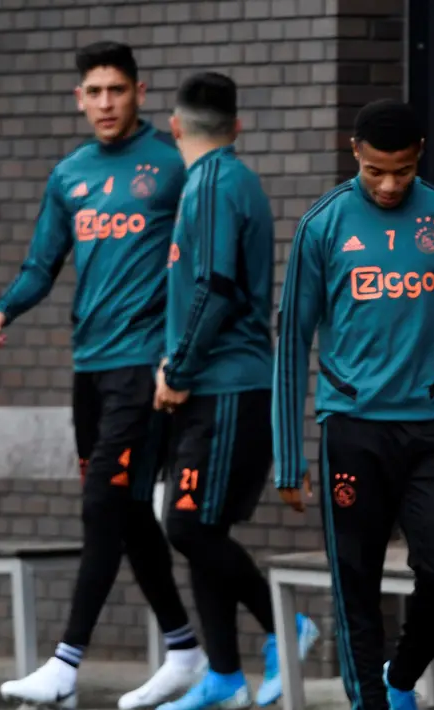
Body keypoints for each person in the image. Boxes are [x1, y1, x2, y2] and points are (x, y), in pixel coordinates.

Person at [0, 41, 208, 710]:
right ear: (79, 98)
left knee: (102, 505)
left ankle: (66, 660)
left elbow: (202, 261)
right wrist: (2, 309)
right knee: (130, 514)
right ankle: (186, 648)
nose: (105, 102)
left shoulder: (172, 165)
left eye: (117, 89)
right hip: (91, 370)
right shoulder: (69, 174)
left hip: (147, 371)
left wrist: (184, 354)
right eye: (94, 92)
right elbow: (41, 263)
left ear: (139, 91)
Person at [272, 98, 434, 710]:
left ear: (419, 153)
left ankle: (400, 677)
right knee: (355, 586)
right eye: (376, 171)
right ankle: (369, 700)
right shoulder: (323, 225)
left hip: (433, 431)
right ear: (355, 154)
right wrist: (288, 461)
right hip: (352, 429)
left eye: (401, 170)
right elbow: (291, 341)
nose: (390, 184)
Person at [152, 71, 319, 710]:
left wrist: (179, 371)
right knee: (202, 527)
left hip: (224, 387)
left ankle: (285, 630)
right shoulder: (214, 180)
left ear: (174, 127)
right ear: (238, 125)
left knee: (189, 527)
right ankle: (223, 676)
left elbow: (216, 285)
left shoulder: (219, 182)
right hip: (209, 388)